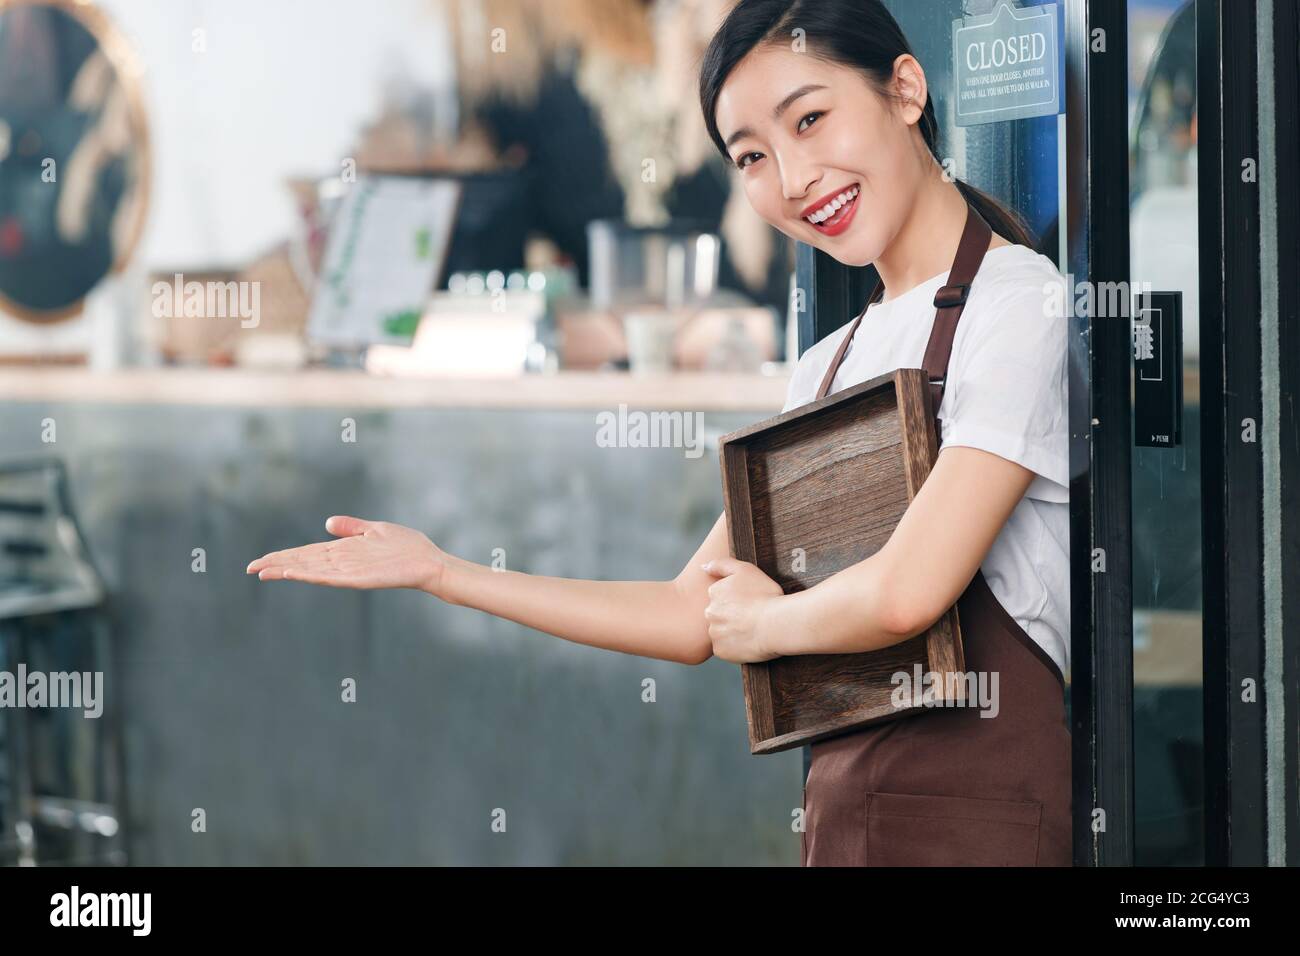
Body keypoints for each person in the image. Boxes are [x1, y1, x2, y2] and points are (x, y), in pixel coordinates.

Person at [246, 0, 1072, 866]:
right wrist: (443, 572)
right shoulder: (828, 363)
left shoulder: (1015, 303)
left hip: (982, 832)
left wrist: (770, 628)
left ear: (905, 89)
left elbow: (908, 592)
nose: (792, 178)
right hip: (849, 826)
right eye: (753, 155)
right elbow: (690, 614)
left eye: (812, 118)